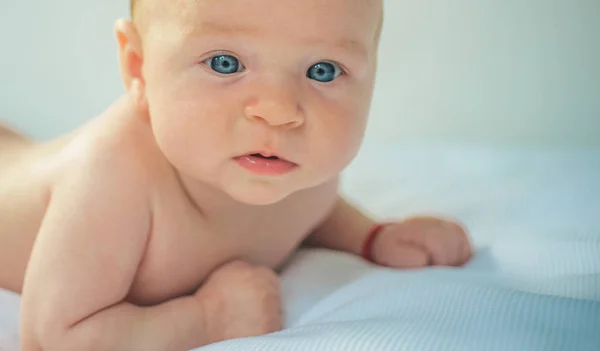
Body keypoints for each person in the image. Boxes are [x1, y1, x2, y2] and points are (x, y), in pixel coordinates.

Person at [0, 0, 472, 350]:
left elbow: (314, 208)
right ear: (138, 67)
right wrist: (205, 321)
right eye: (225, 63)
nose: (279, 111)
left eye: (323, 71)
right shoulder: (112, 180)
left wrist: (373, 237)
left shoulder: (297, 169)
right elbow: (51, 337)